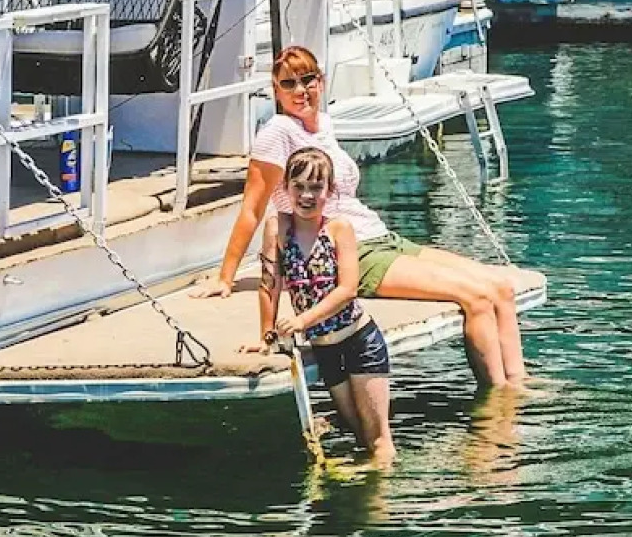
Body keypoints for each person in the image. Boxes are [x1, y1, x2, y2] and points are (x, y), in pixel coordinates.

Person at [194, 44, 527, 387]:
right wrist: (225, 277)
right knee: (476, 297)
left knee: (499, 286)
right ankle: (498, 400)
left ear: (321, 82)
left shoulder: (322, 123)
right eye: (288, 83)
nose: (300, 91)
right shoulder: (277, 132)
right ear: (276, 91)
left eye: (307, 80)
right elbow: (252, 206)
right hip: (353, 251)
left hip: (380, 236)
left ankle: (521, 384)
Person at [244, 146, 394, 463]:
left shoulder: (339, 229)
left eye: (316, 187)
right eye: (299, 186)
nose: (307, 195)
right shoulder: (278, 228)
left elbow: (348, 289)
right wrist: (266, 337)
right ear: (286, 188)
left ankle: (379, 505)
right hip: (326, 349)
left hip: (359, 342)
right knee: (358, 434)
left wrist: (302, 321)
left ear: (330, 190)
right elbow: (269, 285)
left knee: (378, 441)